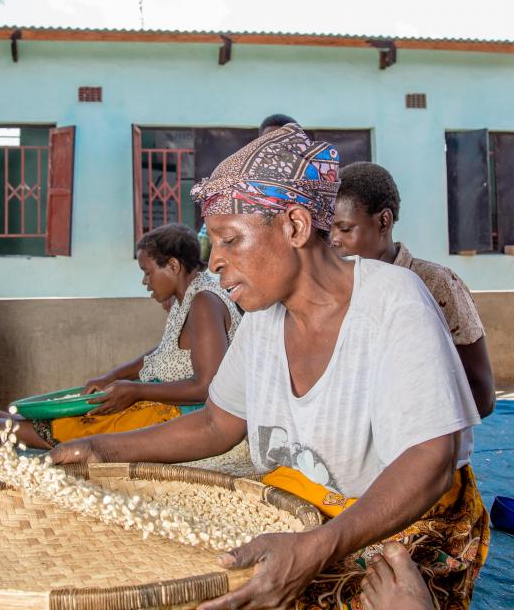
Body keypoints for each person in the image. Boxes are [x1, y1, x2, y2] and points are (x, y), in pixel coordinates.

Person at [47, 124, 487, 610]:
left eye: (230, 240)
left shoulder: (393, 299)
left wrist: (317, 547)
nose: (214, 262)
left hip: (402, 525)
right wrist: (98, 448)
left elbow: (431, 460)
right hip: (310, 513)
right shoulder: (262, 318)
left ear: (295, 227)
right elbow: (218, 423)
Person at [0, 223, 241, 450]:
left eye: (148, 273)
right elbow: (164, 352)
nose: (145, 282)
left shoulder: (204, 302)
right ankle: (3, 420)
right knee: (95, 408)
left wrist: (135, 391)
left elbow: (207, 386)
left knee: (93, 424)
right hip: (166, 399)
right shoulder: (186, 298)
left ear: (172, 265)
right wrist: (111, 377)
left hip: (185, 414)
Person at [331, 161, 495, 418]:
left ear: (383, 221)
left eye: (345, 228)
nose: (334, 240)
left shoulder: (436, 284)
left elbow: (481, 395)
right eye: (328, 230)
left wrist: (404, 421)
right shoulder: (336, 287)